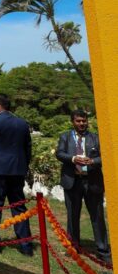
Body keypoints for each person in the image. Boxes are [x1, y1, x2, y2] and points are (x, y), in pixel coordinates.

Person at [0, 93, 33, 255]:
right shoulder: (22, 123)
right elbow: (28, 147)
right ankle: (25, 245)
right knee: (18, 206)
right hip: (17, 170)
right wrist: (23, 165)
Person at [55, 109, 110, 264]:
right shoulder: (65, 137)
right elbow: (59, 153)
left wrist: (93, 161)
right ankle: (74, 246)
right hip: (73, 181)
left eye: (84, 121)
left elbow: (105, 155)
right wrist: (73, 158)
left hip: (92, 182)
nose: (82, 124)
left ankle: (103, 250)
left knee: (97, 217)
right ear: (73, 122)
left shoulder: (95, 138)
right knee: (73, 215)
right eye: (78, 121)